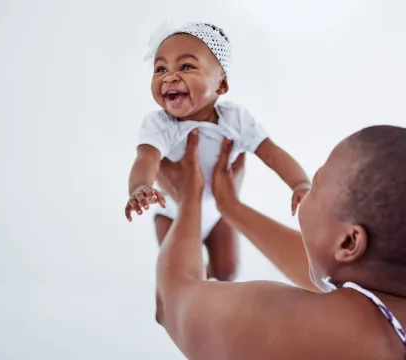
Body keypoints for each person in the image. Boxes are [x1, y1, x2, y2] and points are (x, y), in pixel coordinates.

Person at [154, 126, 406, 359]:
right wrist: (230, 207)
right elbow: (330, 269)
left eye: (316, 186)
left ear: (350, 242)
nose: (306, 194)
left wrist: (189, 198)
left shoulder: (320, 335)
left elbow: (172, 299)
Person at [125, 21, 310, 281]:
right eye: (160, 69)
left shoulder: (235, 120)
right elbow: (147, 158)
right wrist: (140, 187)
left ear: (221, 84)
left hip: (219, 212)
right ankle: (181, 293)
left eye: (186, 66)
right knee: (179, 277)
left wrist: (300, 183)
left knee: (228, 271)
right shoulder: (160, 124)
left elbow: (272, 153)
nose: (169, 77)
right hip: (171, 213)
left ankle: (210, 283)